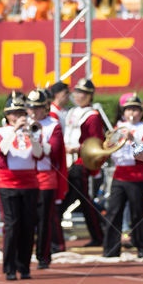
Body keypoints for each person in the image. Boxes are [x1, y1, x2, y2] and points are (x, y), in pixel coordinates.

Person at [0, 92, 43, 280]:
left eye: (20, 112)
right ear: (6, 115)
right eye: (13, 113)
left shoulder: (33, 131)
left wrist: (31, 135)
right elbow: (1, 150)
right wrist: (14, 130)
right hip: (7, 183)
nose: (17, 116)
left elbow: (38, 154)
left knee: (28, 226)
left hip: (30, 183)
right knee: (12, 225)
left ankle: (25, 266)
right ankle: (10, 267)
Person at [104, 94, 143, 258]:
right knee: (113, 211)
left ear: (141, 112)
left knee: (138, 213)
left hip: (138, 175)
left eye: (135, 109)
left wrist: (133, 139)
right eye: (128, 109)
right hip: (120, 173)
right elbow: (109, 145)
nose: (131, 113)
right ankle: (111, 250)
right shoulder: (118, 126)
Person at [59, 78, 106, 246]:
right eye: (77, 92)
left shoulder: (92, 116)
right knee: (75, 199)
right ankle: (99, 234)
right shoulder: (72, 112)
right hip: (68, 161)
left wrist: (77, 149)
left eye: (83, 93)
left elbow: (94, 142)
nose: (79, 96)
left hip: (81, 163)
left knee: (79, 200)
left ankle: (98, 235)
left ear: (90, 96)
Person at [27, 87, 66, 269]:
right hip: (25, 177)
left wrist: (37, 141)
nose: (33, 111)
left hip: (45, 177)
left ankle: (43, 256)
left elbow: (54, 151)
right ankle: (23, 254)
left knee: (43, 219)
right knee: (24, 218)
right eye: (31, 108)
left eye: (38, 107)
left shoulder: (53, 125)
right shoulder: (22, 122)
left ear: (45, 107)